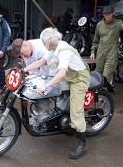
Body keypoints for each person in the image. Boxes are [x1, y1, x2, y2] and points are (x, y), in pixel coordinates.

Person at [24, 27, 90, 160]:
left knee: (76, 112)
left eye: (44, 41)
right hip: (69, 76)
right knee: (51, 90)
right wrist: (23, 69)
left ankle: (82, 143)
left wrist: (45, 86)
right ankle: (58, 117)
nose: (42, 44)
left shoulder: (64, 50)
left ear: (48, 42)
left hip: (78, 79)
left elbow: (60, 74)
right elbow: (41, 62)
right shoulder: (53, 49)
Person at [90, 6, 123, 83]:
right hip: (100, 52)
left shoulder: (117, 23)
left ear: (112, 13)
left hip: (112, 53)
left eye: (109, 14)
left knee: (106, 75)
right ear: (103, 14)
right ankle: (97, 91)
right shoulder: (99, 25)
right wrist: (93, 52)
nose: (108, 16)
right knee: (98, 72)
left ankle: (104, 92)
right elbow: (96, 40)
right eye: (105, 14)